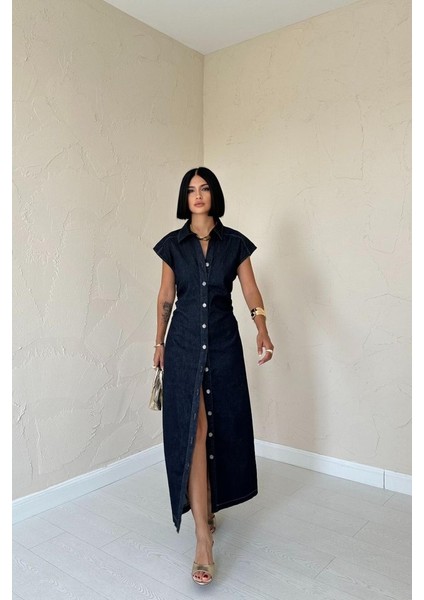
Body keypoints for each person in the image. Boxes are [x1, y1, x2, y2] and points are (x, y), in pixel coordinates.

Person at [152, 167, 274, 585]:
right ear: (184, 198)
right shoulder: (172, 245)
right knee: (195, 430)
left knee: (222, 427)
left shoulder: (235, 243)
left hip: (223, 345)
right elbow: (166, 296)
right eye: (191, 190)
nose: (198, 195)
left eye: (204, 189)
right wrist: (158, 343)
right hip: (183, 346)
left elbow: (251, 290)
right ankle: (203, 539)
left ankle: (209, 508)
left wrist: (262, 327)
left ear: (214, 195)